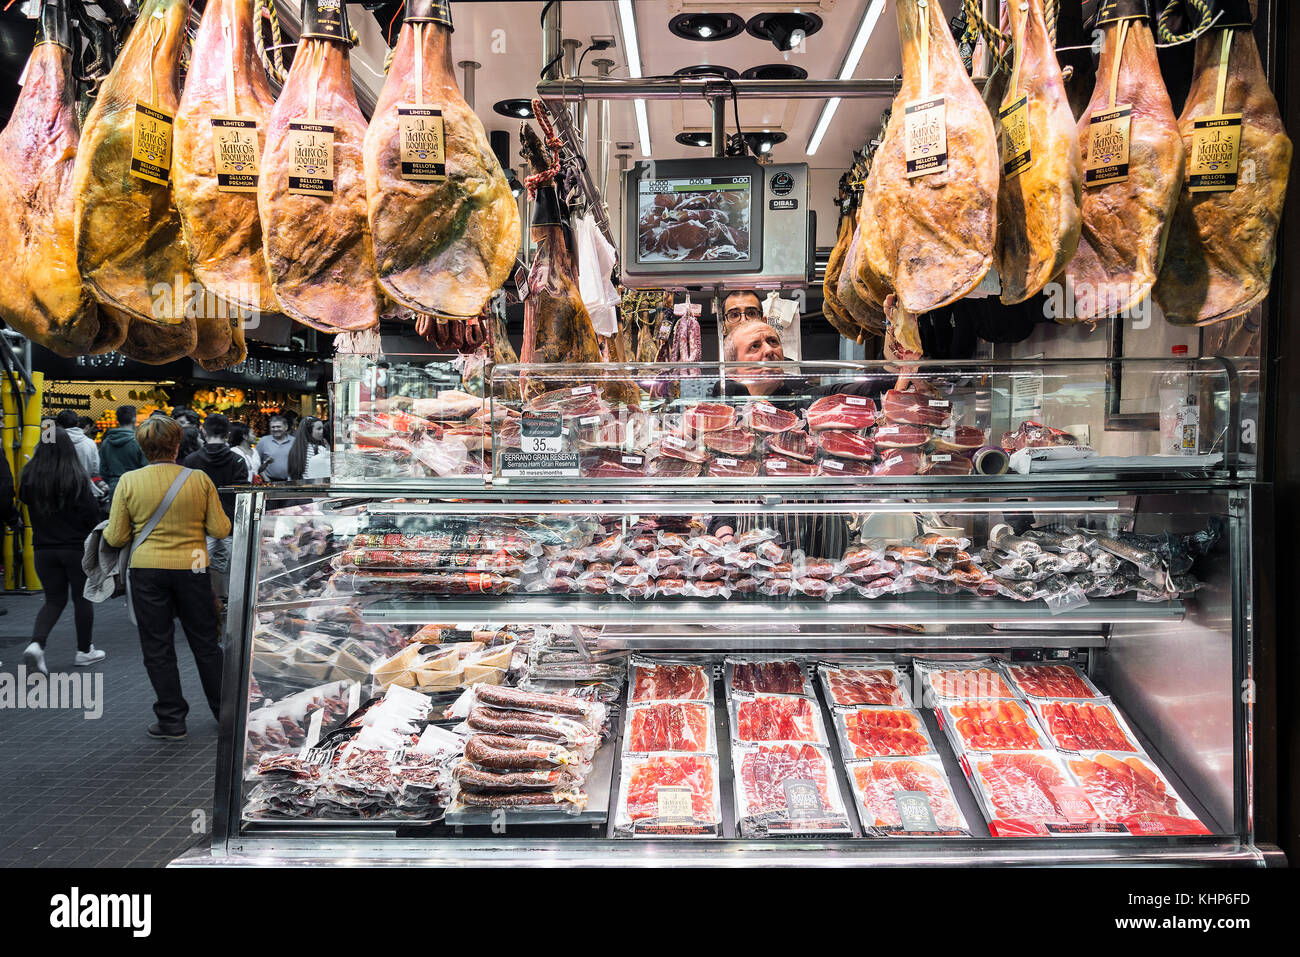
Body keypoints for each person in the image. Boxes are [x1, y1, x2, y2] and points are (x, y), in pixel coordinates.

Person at [105, 415, 232, 740]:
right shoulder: (198, 479)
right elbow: (221, 529)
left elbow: (117, 537)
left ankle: (172, 719)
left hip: (147, 570)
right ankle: (226, 715)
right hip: (193, 565)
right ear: (178, 444)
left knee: (157, 646)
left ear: (142, 446)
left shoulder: (129, 482)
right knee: (206, 643)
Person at [18, 427, 105, 675]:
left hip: (43, 549)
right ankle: (84, 650)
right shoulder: (76, 478)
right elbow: (92, 517)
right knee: (82, 598)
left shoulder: (30, 478)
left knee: (53, 600)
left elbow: (23, 498)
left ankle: (37, 644)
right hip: (75, 548)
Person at [184, 413, 247, 604]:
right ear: (228, 434)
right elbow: (243, 496)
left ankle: (198, 601)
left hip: (200, 526)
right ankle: (232, 603)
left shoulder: (191, 461)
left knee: (198, 567)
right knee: (235, 569)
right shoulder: (238, 461)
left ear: (203, 431)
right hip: (230, 525)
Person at [99, 405, 151, 496]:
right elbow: (146, 468)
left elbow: (103, 470)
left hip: (115, 488)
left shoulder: (106, 442)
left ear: (118, 420)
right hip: (136, 488)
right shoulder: (139, 442)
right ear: (134, 420)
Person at [55, 409, 99, 481]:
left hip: (57, 488)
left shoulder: (50, 442)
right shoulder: (90, 443)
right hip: (84, 487)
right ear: (77, 424)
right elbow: (96, 470)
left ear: (57, 424)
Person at [287, 416, 330, 481]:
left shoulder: (294, 449)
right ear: (309, 431)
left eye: (322, 428)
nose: (322, 431)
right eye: (319, 429)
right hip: (314, 488)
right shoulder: (320, 449)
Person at [255, 414, 293, 481]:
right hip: (269, 481)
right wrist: (265, 478)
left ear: (286, 427)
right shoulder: (263, 441)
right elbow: (256, 463)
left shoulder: (294, 441)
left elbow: (299, 462)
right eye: (273, 427)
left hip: (291, 481)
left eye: (278, 427)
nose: (275, 429)